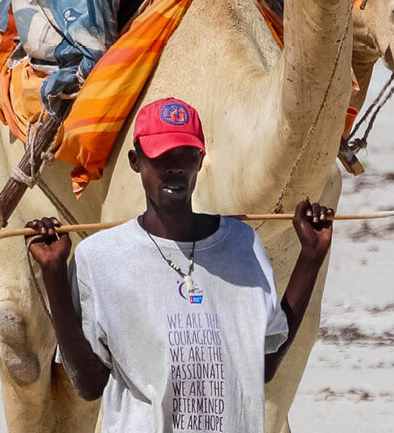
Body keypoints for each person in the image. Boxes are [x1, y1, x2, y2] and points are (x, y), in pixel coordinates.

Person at [24, 97, 333, 433]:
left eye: (186, 155)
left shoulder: (242, 245)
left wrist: (310, 258)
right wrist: (54, 276)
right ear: (135, 161)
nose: (175, 168)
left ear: (201, 160)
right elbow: (88, 384)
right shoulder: (100, 258)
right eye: (161, 156)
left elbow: (264, 364)